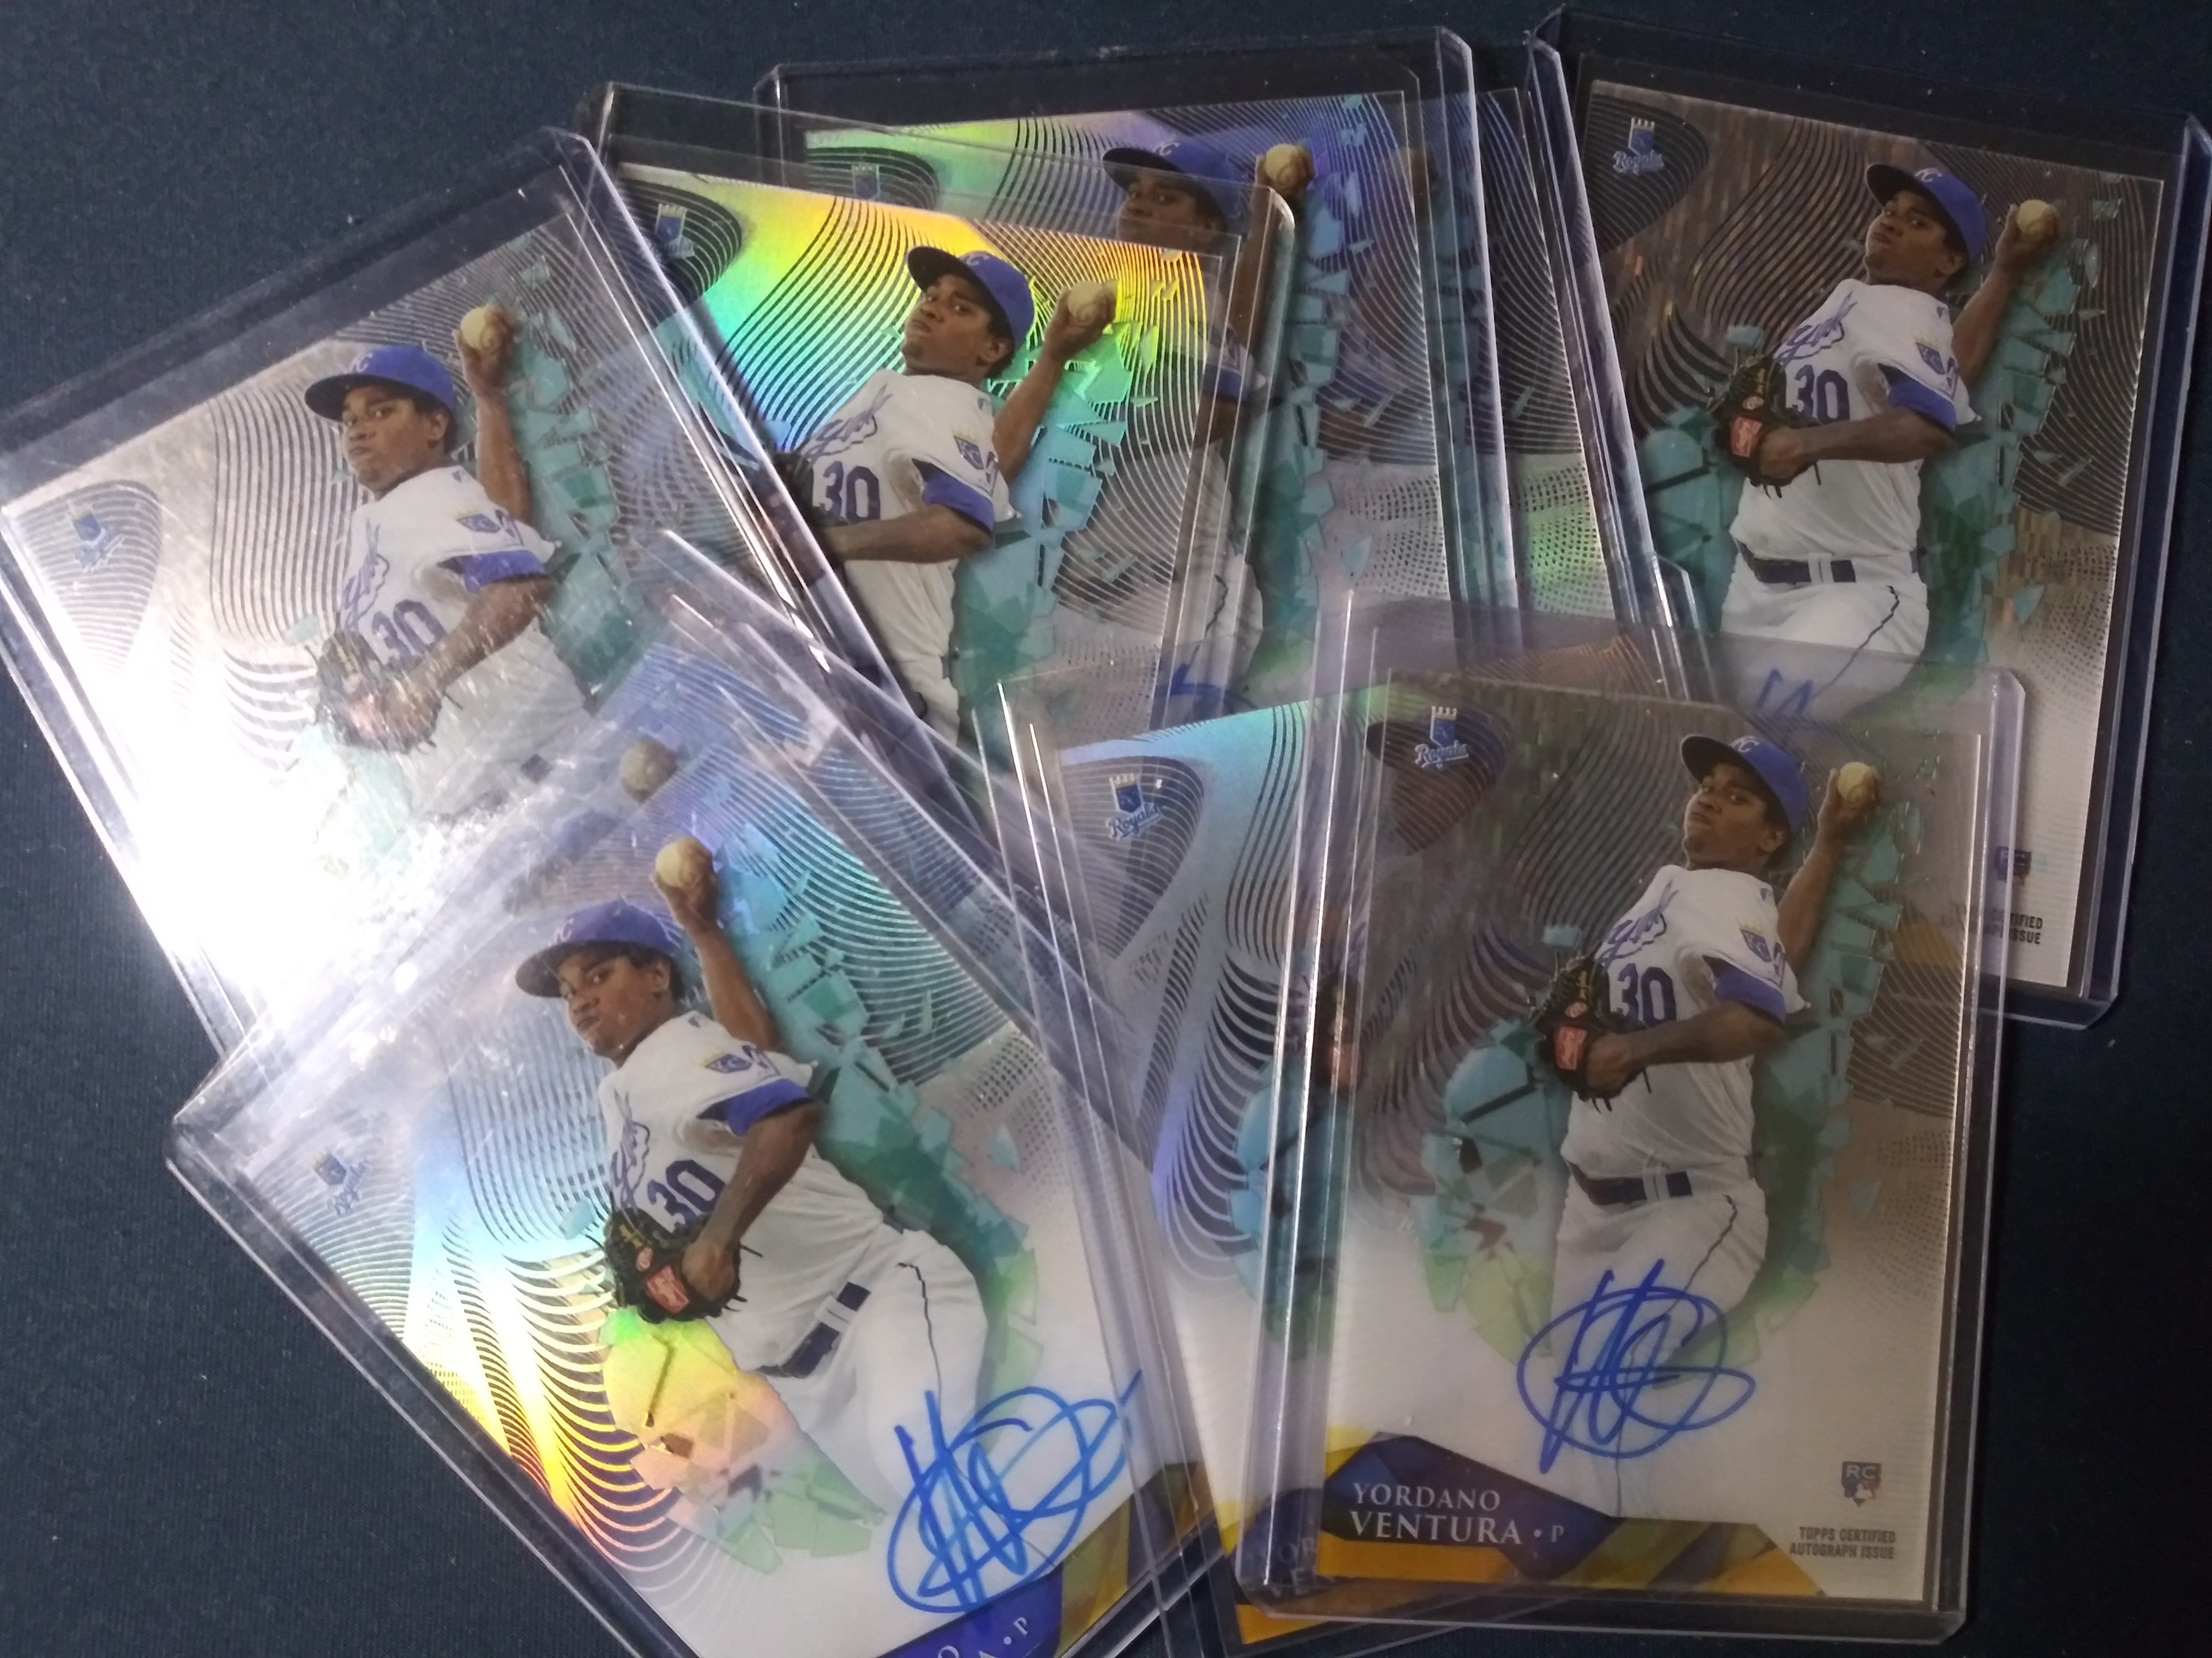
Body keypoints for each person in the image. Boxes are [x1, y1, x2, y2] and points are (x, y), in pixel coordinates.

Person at [514, 861, 987, 1514]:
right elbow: (756, 1053)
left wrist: (717, 1238)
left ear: (656, 976)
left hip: (880, 1304)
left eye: (598, 975)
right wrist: (706, 934)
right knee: (935, 1522)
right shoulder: (635, 1082)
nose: (580, 1001)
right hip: (809, 1378)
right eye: (569, 991)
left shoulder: (669, 1056)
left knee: (938, 1489)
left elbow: (787, 1114)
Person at [1720, 167, 2063, 717]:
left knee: (1764, 726)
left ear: (1947, 263)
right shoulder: (1854, 301)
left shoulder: (1899, 309)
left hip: (1851, 598)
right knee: (1725, 735)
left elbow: (1929, 425)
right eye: (1889, 210)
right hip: (1755, 588)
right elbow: (1947, 379)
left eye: (1918, 221)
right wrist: (2004, 273)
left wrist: (1804, 445)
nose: (1891, 222)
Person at [797, 248, 1104, 736]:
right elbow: (992, 469)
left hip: (878, 691)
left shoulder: (937, 399)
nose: (934, 308)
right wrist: (1053, 358)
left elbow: (964, 524)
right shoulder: (898, 394)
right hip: (832, 668)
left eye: (962, 307)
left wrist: (826, 546)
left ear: (992, 349)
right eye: (932, 295)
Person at [303, 314, 584, 814]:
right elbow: (510, 528)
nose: (358, 431)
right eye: (350, 420)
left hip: (547, 772)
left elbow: (521, 585)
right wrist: (358, 691)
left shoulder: (424, 499)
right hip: (477, 803)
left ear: (434, 425)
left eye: (381, 411)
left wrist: (424, 683)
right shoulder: (385, 518)